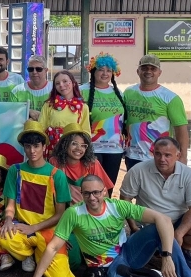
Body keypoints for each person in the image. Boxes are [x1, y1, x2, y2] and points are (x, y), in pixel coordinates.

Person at [11, 175, 191, 277]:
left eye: (97, 193)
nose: (92, 198)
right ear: (81, 194)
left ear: (105, 192)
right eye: (87, 193)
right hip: (108, 268)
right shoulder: (74, 214)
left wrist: (167, 257)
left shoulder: (117, 206)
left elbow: (162, 219)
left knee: (158, 228)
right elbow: (53, 247)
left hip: (128, 253)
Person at [0, 120, 74, 277]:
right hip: (22, 227)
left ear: (44, 147)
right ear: (23, 147)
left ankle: (39, 254)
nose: (32, 151)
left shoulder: (56, 175)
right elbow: (10, 205)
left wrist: (35, 228)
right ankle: (29, 254)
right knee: (4, 237)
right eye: (28, 146)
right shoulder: (15, 171)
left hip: (47, 231)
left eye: (36, 146)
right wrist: (8, 220)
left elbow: (60, 214)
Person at [120, 137, 191, 273]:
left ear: (178, 155)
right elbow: (125, 200)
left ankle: (181, 249)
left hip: (177, 222)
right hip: (149, 224)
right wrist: (133, 226)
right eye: (158, 154)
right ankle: (161, 250)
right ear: (153, 153)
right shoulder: (138, 171)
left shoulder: (189, 175)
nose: (162, 159)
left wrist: (179, 233)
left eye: (167, 155)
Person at [123, 55, 189, 168]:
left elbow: (181, 130)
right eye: (144, 68)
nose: (148, 71)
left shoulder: (170, 98)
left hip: (159, 158)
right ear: (138, 71)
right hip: (132, 156)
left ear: (159, 72)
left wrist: (183, 157)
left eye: (153, 68)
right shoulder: (128, 93)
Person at [80, 53, 126, 194]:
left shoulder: (118, 93)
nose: (105, 73)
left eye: (108, 70)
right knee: (92, 188)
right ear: (93, 71)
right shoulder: (82, 91)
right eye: (101, 69)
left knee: (109, 188)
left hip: (115, 149)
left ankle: (106, 215)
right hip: (93, 148)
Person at [49, 123, 115, 205]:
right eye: (74, 144)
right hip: (64, 211)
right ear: (64, 145)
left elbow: (104, 194)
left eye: (83, 145)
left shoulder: (92, 164)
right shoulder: (55, 162)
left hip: (89, 210)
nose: (79, 148)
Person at [40, 70, 90, 157]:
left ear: (73, 83)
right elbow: (41, 128)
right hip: (53, 149)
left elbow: (86, 132)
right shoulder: (49, 105)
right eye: (57, 83)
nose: (61, 85)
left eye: (65, 81)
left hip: (74, 152)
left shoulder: (83, 107)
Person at [11, 55, 52, 120]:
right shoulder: (17, 91)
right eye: (31, 69)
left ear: (46, 71)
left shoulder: (54, 89)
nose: (34, 72)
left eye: (38, 69)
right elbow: (11, 112)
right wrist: (27, 111)